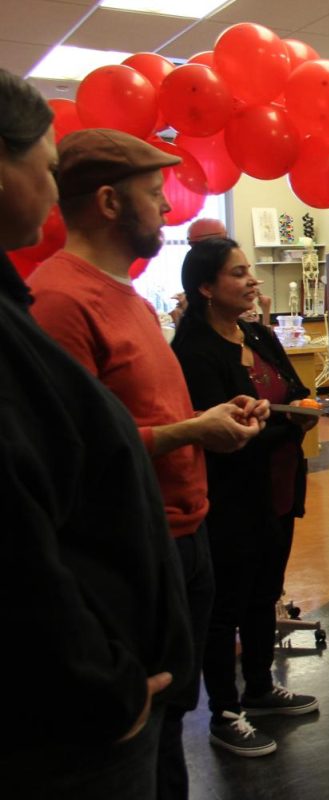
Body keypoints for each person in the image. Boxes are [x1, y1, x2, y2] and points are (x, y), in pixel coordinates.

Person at [27, 127, 267, 795]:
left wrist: (217, 421)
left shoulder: (125, 295)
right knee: (143, 732)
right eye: (155, 194)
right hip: (130, 547)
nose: (168, 209)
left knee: (170, 723)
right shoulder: (59, 302)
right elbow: (68, 452)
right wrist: (192, 429)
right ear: (108, 201)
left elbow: (145, 414)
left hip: (183, 539)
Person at [0, 67, 192, 799]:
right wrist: (106, 684)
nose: (52, 192)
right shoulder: (50, 302)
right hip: (79, 714)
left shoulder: (126, 296)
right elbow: (20, 532)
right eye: (43, 169)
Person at [172, 237, 320, 756]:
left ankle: (258, 688)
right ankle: (224, 711)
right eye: (239, 273)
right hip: (233, 495)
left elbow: (295, 391)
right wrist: (289, 420)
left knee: (265, 591)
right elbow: (228, 432)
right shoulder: (192, 352)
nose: (253, 281)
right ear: (207, 288)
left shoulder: (258, 334)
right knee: (226, 603)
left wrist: (287, 417)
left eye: (250, 271)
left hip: (279, 486)